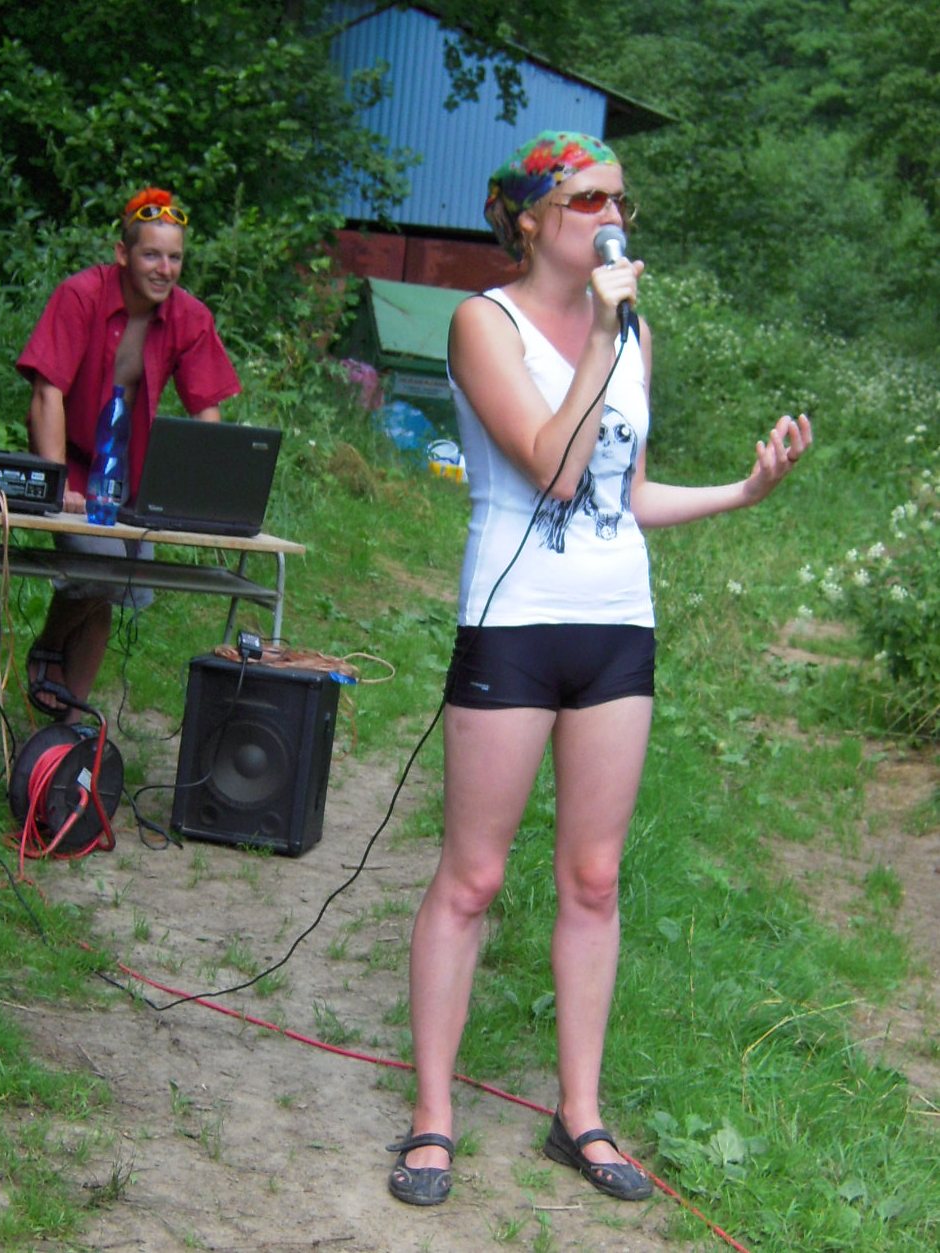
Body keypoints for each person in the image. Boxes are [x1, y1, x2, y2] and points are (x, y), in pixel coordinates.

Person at [386, 132, 812, 1207]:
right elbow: (552, 465)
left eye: (621, 199)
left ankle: (579, 1113)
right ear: (533, 218)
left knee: (595, 877)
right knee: (474, 877)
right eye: (588, 199)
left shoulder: (635, 333)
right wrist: (603, 341)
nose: (613, 217)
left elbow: (623, 492)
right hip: (515, 624)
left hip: (618, 624)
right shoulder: (484, 322)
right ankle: (433, 1115)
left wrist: (742, 492)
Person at [17, 187, 241, 719]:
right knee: (102, 569)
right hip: (72, 461)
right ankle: (49, 647)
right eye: (151, 255)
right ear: (123, 253)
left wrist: (213, 497)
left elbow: (206, 411)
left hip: (131, 475)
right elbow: (46, 393)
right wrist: (57, 485)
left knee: (121, 586)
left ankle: (71, 724)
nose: (165, 269)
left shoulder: (189, 316)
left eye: (175, 257)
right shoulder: (80, 295)